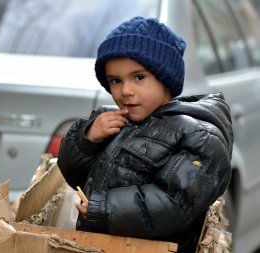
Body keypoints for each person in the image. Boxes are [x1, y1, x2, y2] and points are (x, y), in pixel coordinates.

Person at [57, 16, 233, 253]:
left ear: (166, 80)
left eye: (139, 77)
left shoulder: (197, 136)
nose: (125, 91)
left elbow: (176, 204)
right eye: (115, 81)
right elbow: (77, 178)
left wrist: (104, 209)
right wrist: (87, 140)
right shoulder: (113, 121)